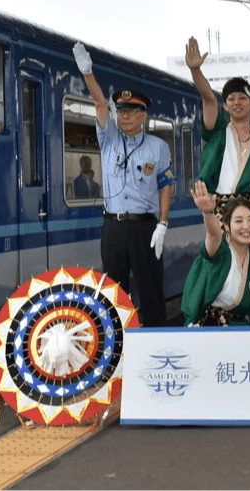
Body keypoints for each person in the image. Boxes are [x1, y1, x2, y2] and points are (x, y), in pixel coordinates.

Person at [73, 42, 174, 326]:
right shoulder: (110, 139)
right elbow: (99, 103)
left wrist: (163, 224)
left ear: (143, 115)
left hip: (145, 227)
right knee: (113, 295)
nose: (125, 116)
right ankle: (115, 351)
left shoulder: (158, 147)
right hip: (114, 227)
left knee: (151, 293)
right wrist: (87, 72)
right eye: (122, 111)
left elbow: (165, 184)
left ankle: (156, 349)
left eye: (131, 111)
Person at [185, 37, 250, 322]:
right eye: (231, 99)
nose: (237, 102)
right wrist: (195, 71)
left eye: (243, 98)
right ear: (226, 105)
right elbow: (206, 97)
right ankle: (219, 323)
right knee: (224, 272)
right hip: (223, 214)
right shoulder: (216, 133)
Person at [181, 182, 250, 326]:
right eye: (238, 221)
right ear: (227, 226)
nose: (246, 226)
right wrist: (208, 212)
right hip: (211, 328)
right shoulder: (220, 251)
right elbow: (214, 236)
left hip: (241, 328)